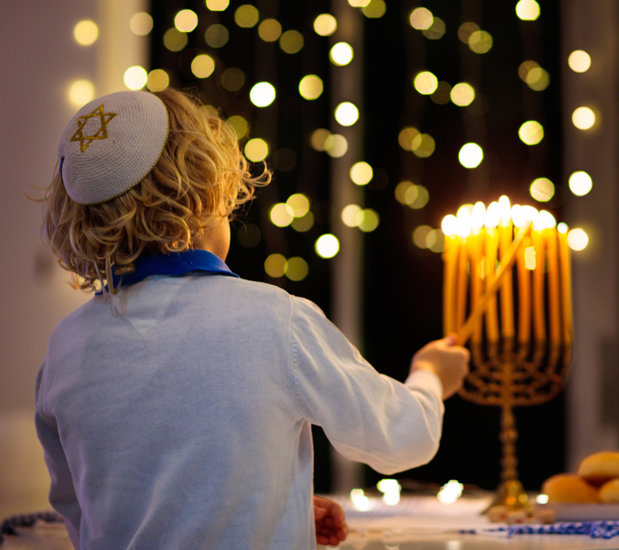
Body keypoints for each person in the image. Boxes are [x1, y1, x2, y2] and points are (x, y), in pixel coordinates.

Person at [35, 88, 470, 549]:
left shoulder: (67, 346)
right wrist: (429, 377)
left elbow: (84, 508)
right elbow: (402, 437)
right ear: (204, 192)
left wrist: (263, 504)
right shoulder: (274, 320)